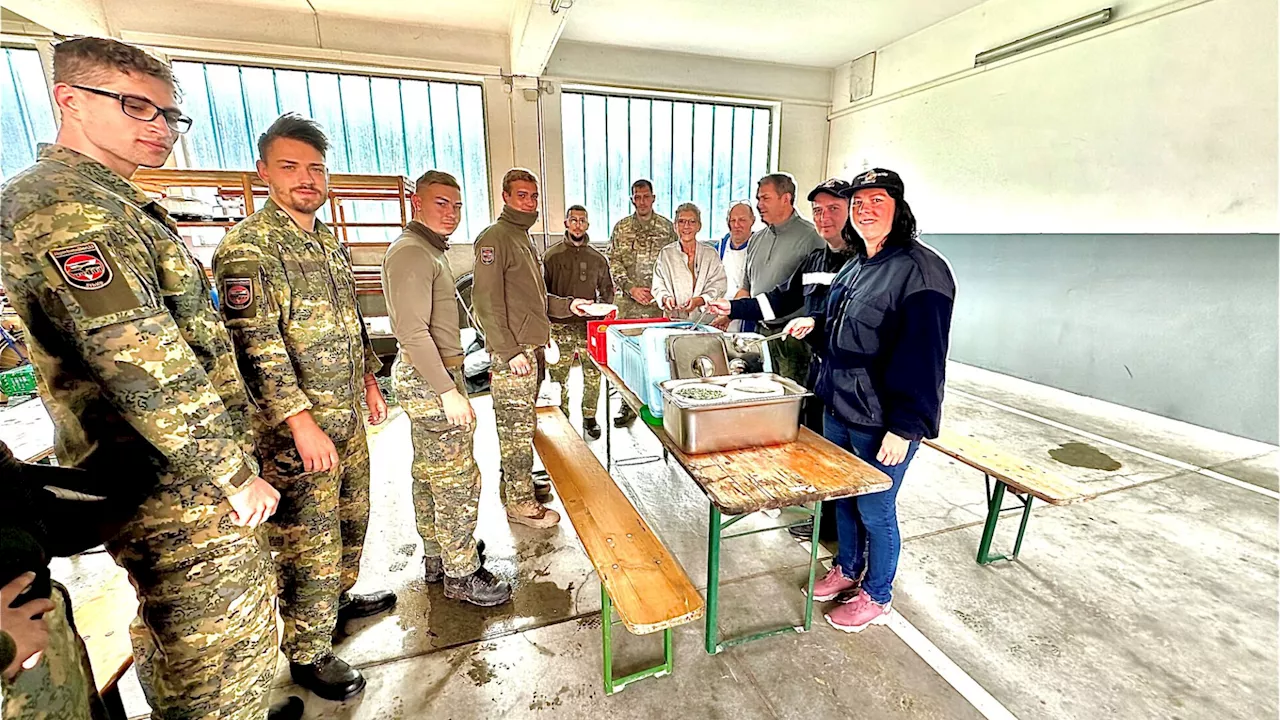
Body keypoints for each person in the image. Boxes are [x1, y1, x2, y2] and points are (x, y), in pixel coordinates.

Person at [0, 37, 289, 720]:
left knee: (194, 642)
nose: (158, 127)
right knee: (218, 656)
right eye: (136, 107)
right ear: (68, 99)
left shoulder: (112, 200)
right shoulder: (66, 208)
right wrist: (232, 470)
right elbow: (141, 357)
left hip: (180, 474)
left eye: (168, 115)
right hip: (175, 483)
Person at [213, 113, 394, 702]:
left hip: (344, 415)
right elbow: (256, 344)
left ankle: (336, 602)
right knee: (308, 539)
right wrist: (300, 421)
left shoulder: (327, 242)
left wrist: (369, 379)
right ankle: (309, 653)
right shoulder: (247, 249)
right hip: (298, 431)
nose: (306, 178)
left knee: (351, 518)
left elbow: (353, 322)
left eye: (315, 167)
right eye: (290, 166)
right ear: (264, 172)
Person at [787, 168, 955, 633]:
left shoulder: (922, 270)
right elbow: (845, 324)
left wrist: (906, 427)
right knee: (844, 498)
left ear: (898, 208)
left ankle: (877, 593)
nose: (865, 211)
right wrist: (815, 327)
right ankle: (847, 567)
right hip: (840, 405)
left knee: (876, 508)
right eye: (859, 203)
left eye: (876, 201)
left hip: (882, 418)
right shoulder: (859, 262)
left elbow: (925, 358)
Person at [382, 170, 510, 607]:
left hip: (433, 375)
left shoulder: (428, 251)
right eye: (441, 203)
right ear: (416, 203)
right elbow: (412, 332)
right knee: (456, 480)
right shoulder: (413, 254)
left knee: (430, 474)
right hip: (431, 378)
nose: (451, 213)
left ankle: (439, 556)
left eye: (456, 205)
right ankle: (461, 573)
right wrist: (447, 391)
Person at [708, 178, 856, 541]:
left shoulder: (862, 261)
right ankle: (825, 518)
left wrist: (813, 325)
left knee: (845, 460)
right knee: (811, 432)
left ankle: (843, 537)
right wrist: (732, 306)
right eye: (819, 210)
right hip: (817, 365)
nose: (824, 218)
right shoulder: (814, 258)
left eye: (833, 209)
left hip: (842, 373)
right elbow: (777, 298)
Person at [472, 169, 591, 529]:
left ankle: (516, 489)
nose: (529, 202)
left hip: (532, 349)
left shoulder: (523, 238)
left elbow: (533, 299)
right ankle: (521, 505)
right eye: (522, 195)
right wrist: (509, 352)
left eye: (534, 196)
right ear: (505, 197)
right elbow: (485, 302)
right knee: (516, 429)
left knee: (524, 426)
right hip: (515, 355)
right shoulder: (495, 239)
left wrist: (568, 306)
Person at [607, 179, 676, 426]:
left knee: (658, 355)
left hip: (658, 305)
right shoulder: (622, 227)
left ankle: (659, 403)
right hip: (629, 303)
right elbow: (613, 261)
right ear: (632, 199)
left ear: (654, 198)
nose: (642, 201)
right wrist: (630, 288)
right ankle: (627, 405)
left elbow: (674, 264)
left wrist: (661, 292)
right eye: (637, 197)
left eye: (646, 196)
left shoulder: (667, 228)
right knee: (627, 357)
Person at [744, 173, 825, 385]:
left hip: (792, 338)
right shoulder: (756, 239)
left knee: (789, 401)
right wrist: (727, 312)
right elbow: (747, 287)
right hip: (760, 333)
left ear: (786, 198)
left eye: (765, 198)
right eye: (758, 198)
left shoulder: (812, 238)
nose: (759, 204)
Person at [544, 205, 614, 440]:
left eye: (582, 220)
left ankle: (589, 415)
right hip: (560, 326)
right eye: (573, 220)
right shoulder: (551, 256)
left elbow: (607, 291)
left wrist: (601, 313)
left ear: (587, 225)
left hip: (589, 327)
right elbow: (542, 293)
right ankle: (560, 416)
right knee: (558, 377)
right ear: (566, 223)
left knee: (593, 374)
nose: (577, 224)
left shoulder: (597, 258)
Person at [651, 203, 727, 320]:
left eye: (692, 222)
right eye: (681, 221)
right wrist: (666, 298)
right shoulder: (666, 254)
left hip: (705, 321)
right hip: (674, 320)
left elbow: (719, 285)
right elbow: (658, 284)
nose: (686, 226)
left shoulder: (710, 254)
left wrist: (700, 300)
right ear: (675, 226)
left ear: (699, 226)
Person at [712, 201, 754, 331]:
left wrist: (730, 314)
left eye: (742, 220)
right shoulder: (719, 248)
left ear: (752, 220)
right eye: (732, 220)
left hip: (747, 315)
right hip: (718, 315)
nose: (737, 225)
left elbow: (750, 288)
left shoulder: (760, 247)